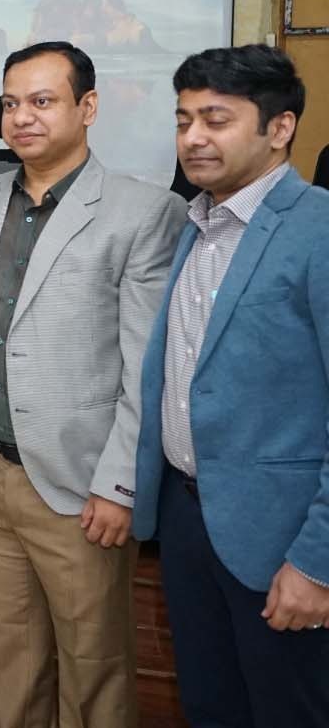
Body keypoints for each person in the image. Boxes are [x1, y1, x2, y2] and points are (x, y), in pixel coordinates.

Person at [0, 42, 185, 728]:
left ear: (88, 107)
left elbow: (147, 366)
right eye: (11, 103)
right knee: (8, 658)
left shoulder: (144, 211)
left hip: (81, 485)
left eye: (42, 101)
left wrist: (121, 485)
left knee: (94, 669)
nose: (22, 117)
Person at [132, 45, 329, 727]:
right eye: (183, 119)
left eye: (216, 120)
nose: (193, 138)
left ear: (280, 128)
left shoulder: (319, 228)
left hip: (283, 538)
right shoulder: (199, 224)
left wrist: (318, 563)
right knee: (210, 707)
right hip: (189, 520)